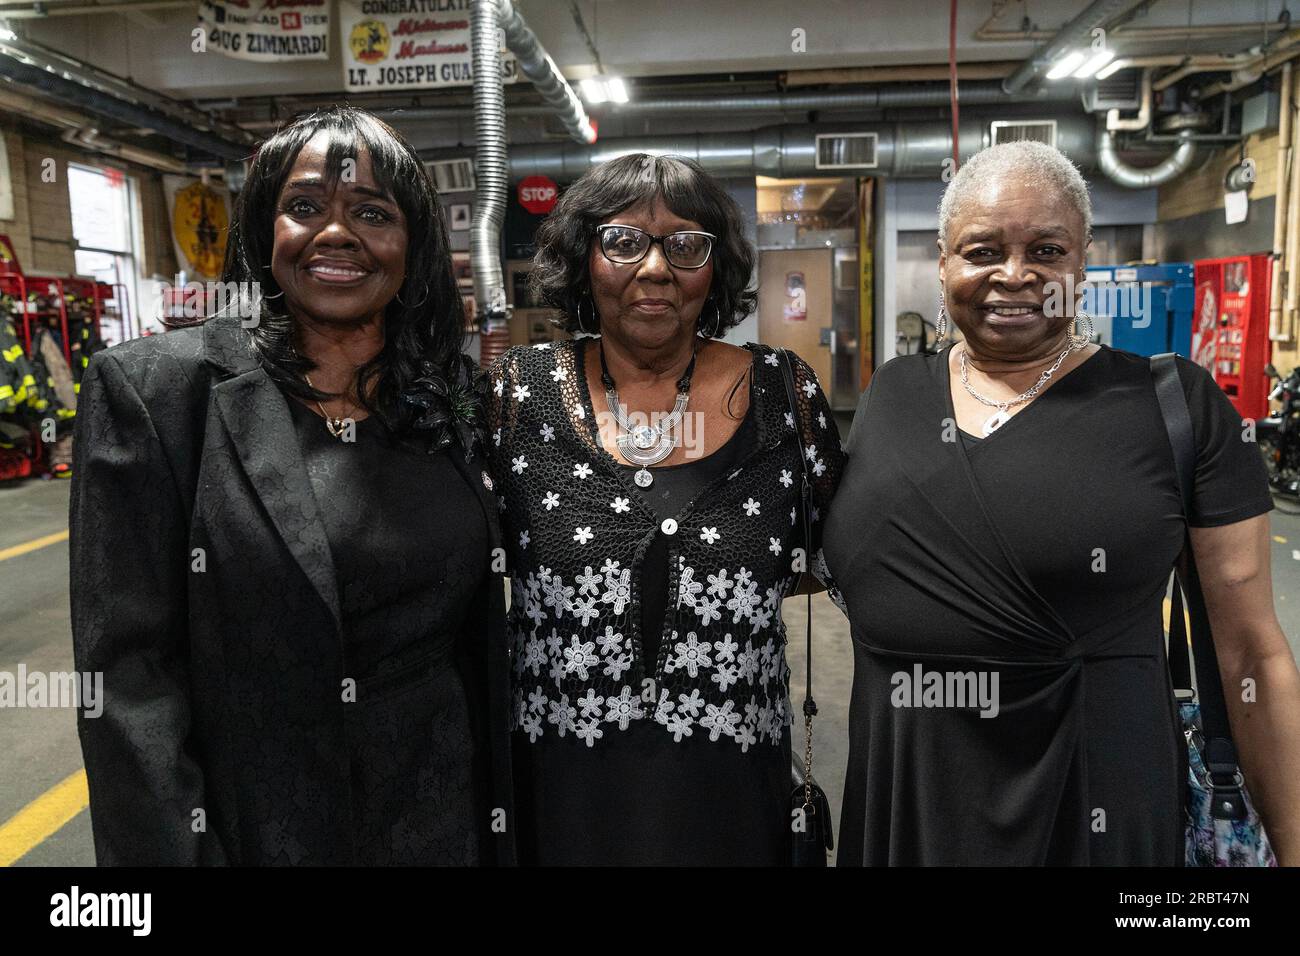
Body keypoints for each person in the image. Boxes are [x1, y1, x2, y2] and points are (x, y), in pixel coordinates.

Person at [822, 139, 1300, 865]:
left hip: (1093, 789)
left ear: (1082, 264)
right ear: (945, 263)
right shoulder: (893, 394)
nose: (1014, 275)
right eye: (982, 251)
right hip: (910, 787)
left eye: (1046, 250)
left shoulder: (1170, 404)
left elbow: (1252, 653)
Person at [70, 106, 513, 865]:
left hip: (442, 817)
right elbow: (127, 682)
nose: (336, 234)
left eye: (372, 213)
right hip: (258, 830)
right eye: (304, 207)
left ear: (412, 246)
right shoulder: (158, 394)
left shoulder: (448, 397)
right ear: (261, 232)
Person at [487, 153, 843, 865]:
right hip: (567, 801)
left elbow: (839, 559)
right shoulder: (516, 398)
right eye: (622, 241)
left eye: (685, 245)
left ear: (716, 267)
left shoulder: (785, 395)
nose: (655, 269)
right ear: (585, 258)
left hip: (731, 803)